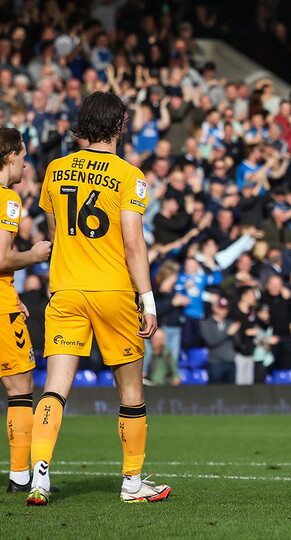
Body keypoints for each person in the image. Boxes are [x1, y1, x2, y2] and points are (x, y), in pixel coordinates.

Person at [27, 91, 167, 506]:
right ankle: (132, 482)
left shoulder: (55, 169)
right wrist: (150, 301)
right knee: (130, 393)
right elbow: (133, 244)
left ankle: (40, 478)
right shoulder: (129, 174)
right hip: (113, 291)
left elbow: (55, 234)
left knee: (54, 389)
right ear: (119, 125)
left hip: (66, 290)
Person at [0, 128, 51, 493]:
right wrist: (32, 256)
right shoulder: (8, 200)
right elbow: (1, 257)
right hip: (0, 309)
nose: (25, 162)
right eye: (23, 155)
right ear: (10, 157)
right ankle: (21, 477)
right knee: (20, 388)